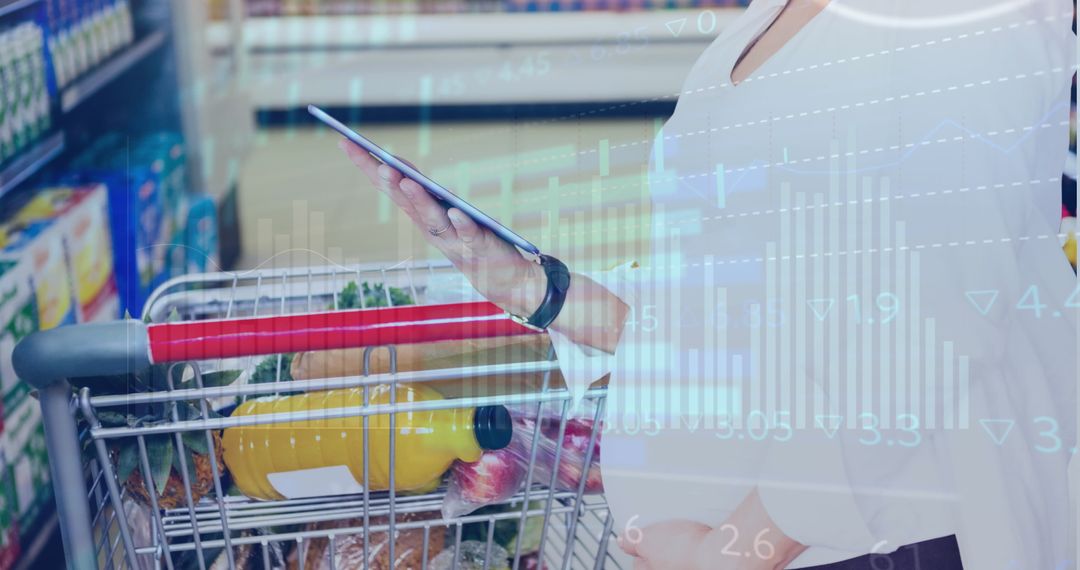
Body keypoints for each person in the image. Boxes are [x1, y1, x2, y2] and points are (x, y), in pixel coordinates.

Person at [340, 0, 1078, 567]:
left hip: (889, 541)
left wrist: (737, 546)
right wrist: (538, 291)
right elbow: (740, 301)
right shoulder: (769, 16)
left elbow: (937, 318)